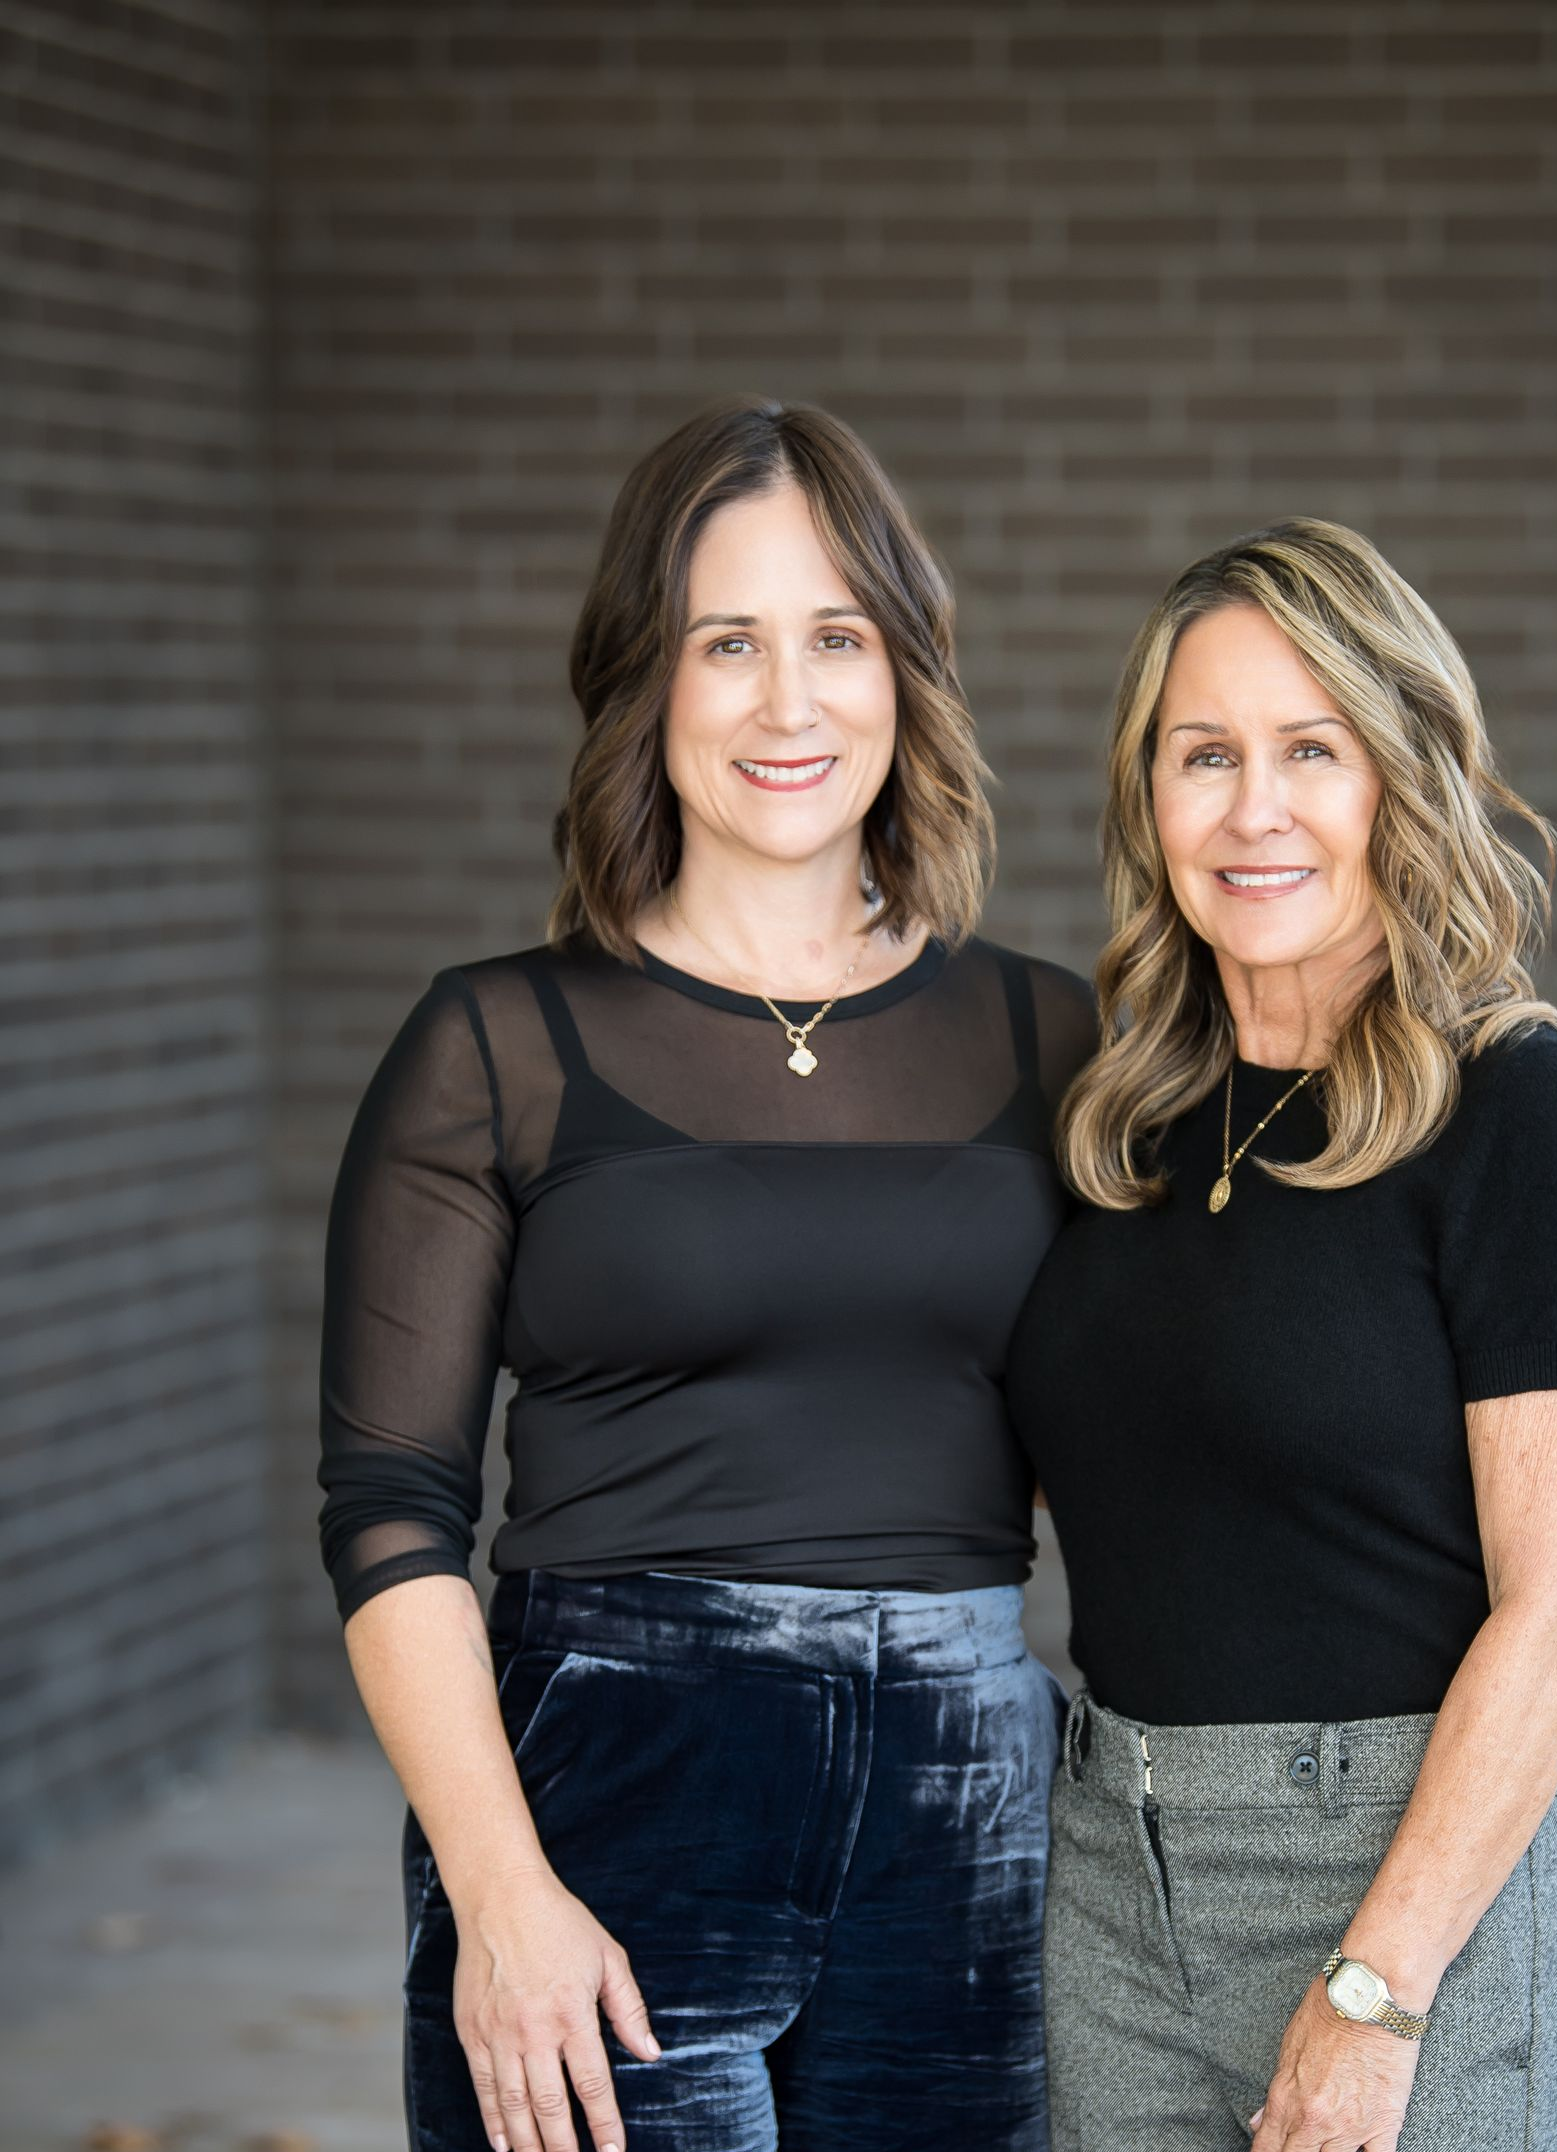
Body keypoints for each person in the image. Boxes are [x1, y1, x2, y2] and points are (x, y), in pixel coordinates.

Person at [316, 397, 1096, 2152]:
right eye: (723, 644)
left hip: (970, 1828)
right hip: (609, 1802)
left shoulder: (1060, 1039)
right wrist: (498, 1896)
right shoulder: (496, 1043)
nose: (789, 701)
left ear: (906, 673)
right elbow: (386, 1509)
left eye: (838, 637)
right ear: (643, 686)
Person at [1008, 519, 1557, 2152]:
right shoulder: (1120, 1125)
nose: (1253, 811)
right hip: (1112, 1870)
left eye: (1313, 750)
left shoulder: (1524, 1113)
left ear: (1402, 774)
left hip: (1401, 1881)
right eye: (1203, 754)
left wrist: (1377, 1987)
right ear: (1144, 796)